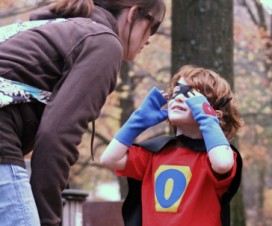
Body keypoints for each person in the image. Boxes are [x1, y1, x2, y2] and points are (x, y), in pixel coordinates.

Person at [0, 0, 166, 225]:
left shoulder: (53, 28)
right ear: (133, 13)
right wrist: (49, 220)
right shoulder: (103, 42)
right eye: (153, 26)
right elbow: (55, 139)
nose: (149, 40)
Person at [101, 65, 244, 226]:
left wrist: (208, 119)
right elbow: (109, 159)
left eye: (191, 95)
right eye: (176, 93)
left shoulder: (217, 155)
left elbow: (222, 164)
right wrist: (136, 122)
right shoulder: (154, 153)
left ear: (213, 111)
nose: (179, 98)